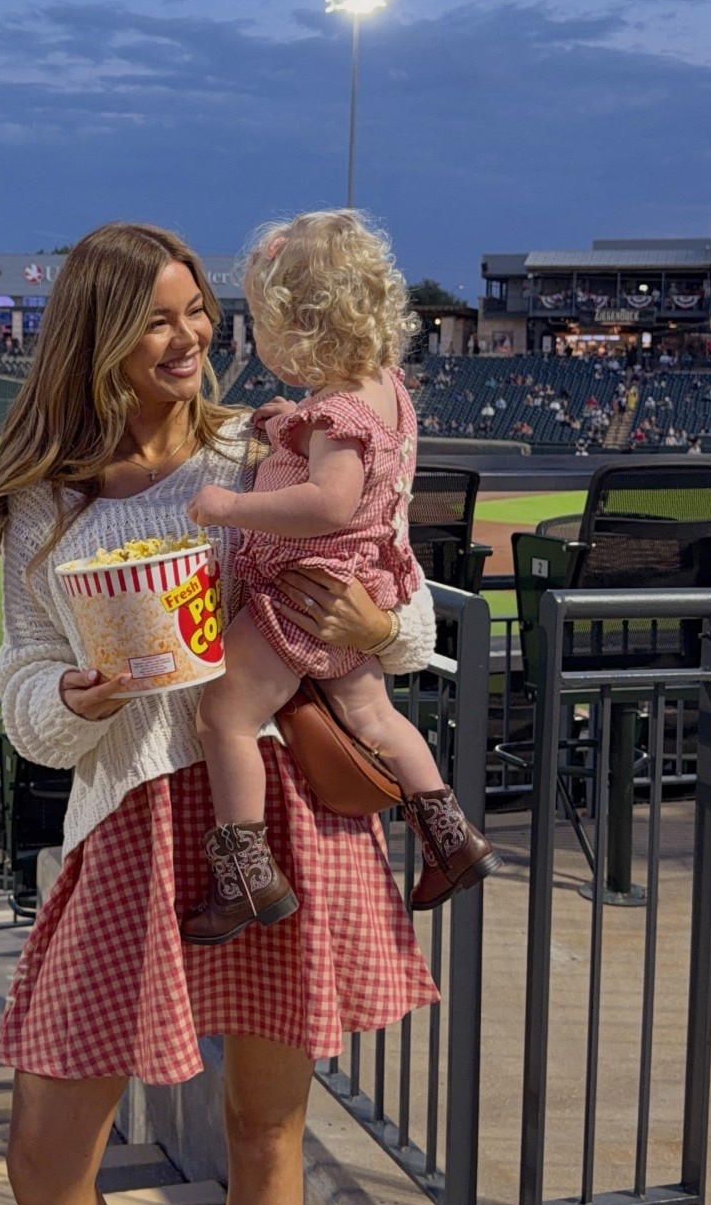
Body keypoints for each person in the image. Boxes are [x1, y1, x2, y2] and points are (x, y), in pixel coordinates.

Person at [0, 222, 439, 1205]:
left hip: (273, 809)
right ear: (97, 339)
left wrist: (373, 635)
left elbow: (397, 606)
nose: (189, 342)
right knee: (48, 1152)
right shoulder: (51, 499)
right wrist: (82, 697)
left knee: (263, 1124)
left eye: (197, 314)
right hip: (128, 825)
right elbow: (28, 702)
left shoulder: (267, 448)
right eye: (157, 322)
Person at [184, 212, 496, 940]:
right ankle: (452, 840)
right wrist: (290, 422)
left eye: (262, 322)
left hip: (304, 598)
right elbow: (352, 450)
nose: (256, 338)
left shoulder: (340, 413)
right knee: (374, 716)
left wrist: (231, 503)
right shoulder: (381, 386)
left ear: (301, 328)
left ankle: (247, 876)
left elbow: (330, 499)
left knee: (223, 714)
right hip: (364, 583)